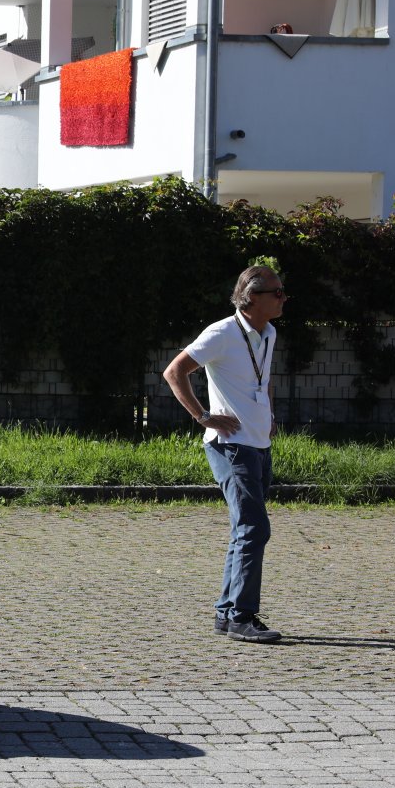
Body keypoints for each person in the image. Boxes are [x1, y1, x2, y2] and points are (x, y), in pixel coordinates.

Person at [162, 265, 290, 644]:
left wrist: (268, 415)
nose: (283, 298)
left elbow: (263, 380)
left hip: (259, 444)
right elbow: (174, 371)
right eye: (276, 292)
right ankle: (242, 617)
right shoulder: (222, 333)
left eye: (283, 291)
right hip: (231, 446)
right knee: (255, 528)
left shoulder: (269, 333)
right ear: (251, 298)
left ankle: (226, 612)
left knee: (244, 530)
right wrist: (203, 416)